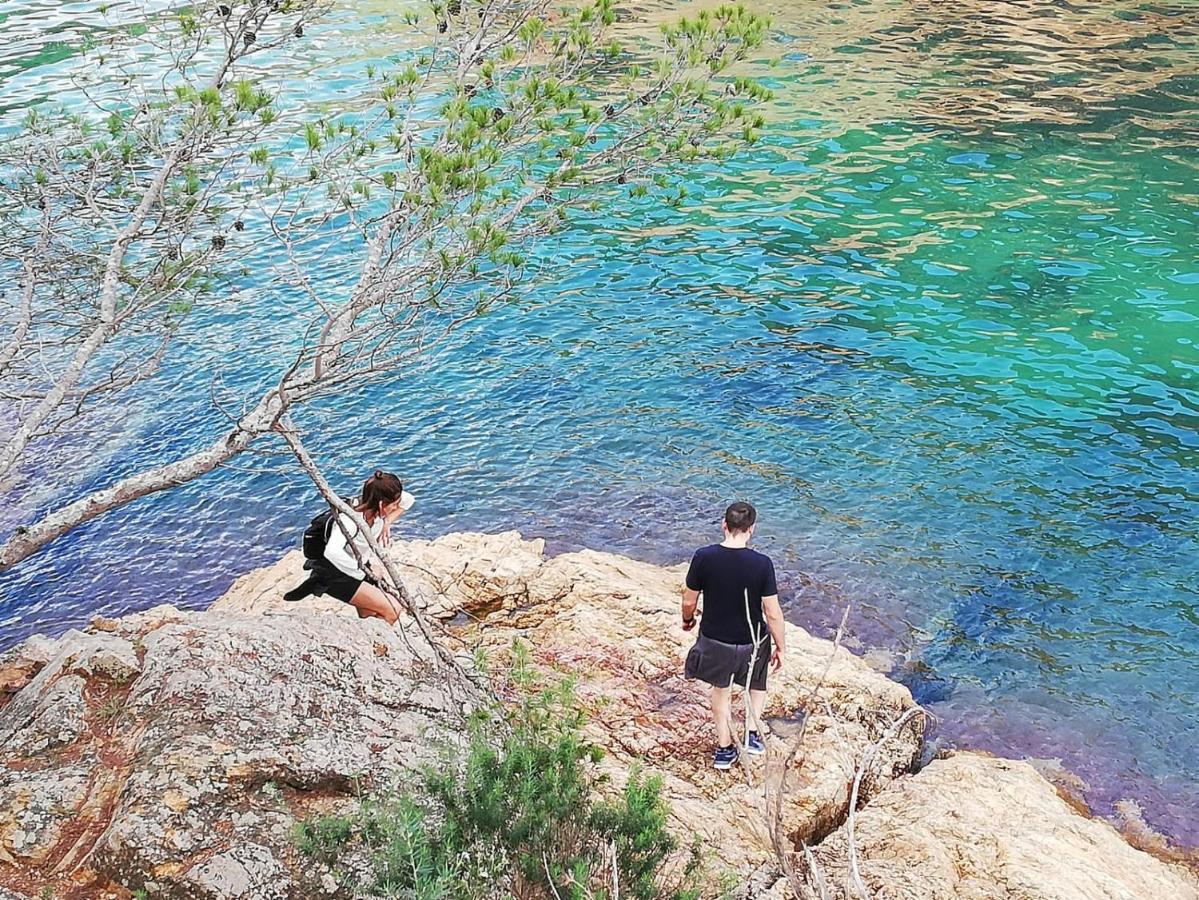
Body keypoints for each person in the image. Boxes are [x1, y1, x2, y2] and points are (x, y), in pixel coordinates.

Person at [681, 501, 786, 770]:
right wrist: (780, 646)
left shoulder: (704, 557)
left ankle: (725, 750)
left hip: (716, 639)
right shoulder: (762, 564)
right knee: (757, 685)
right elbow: (772, 612)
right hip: (753, 641)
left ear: (724, 525)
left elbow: (689, 600)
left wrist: (687, 620)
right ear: (752, 530)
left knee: (722, 690)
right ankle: (752, 735)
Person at [285, 471, 414, 625]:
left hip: (357, 565)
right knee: (392, 610)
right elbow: (332, 551)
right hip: (335, 574)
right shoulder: (350, 521)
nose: (396, 507)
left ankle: (370, 644)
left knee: (370, 613)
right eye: (394, 505)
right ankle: (317, 582)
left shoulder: (377, 511)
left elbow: (408, 499)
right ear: (381, 504)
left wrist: (387, 522)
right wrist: (363, 571)